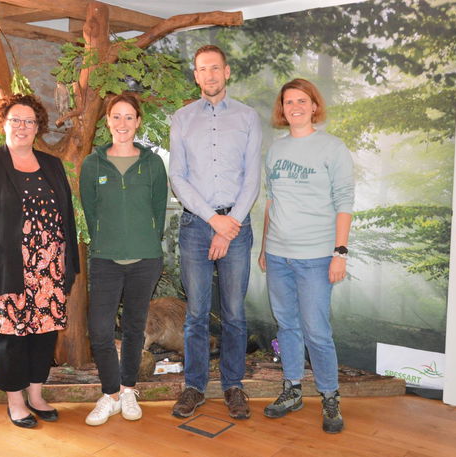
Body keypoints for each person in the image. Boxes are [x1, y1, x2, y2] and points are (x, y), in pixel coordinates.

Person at [0, 94, 79, 429]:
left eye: (29, 121)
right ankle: (16, 401)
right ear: (4, 123)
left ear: (37, 127)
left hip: (50, 269)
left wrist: (68, 266)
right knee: (13, 336)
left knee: (45, 334)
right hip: (7, 267)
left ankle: (37, 395)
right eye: (16, 120)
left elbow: (65, 216)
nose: (23, 127)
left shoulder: (51, 165)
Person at [169, 45, 262, 420]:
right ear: (196, 75)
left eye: (215, 68)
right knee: (196, 314)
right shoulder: (181, 118)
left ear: (227, 72)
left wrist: (229, 226)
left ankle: (233, 386)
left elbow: (252, 178)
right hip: (196, 226)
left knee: (235, 314)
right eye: (202, 69)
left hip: (237, 227)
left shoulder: (248, 117)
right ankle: (193, 387)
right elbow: (178, 176)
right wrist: (212, 220)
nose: (209, 75)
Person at [258, 78, 354, 433]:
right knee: (287, 326)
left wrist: (339, 253)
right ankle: (293, 389)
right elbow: (271, 201)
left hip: (316, 256)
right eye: (288, 102)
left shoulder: (332, 148)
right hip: (279, 255)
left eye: (301, 100)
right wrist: (266, 247)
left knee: (317, 331)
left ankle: (330, 396)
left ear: (314, 105)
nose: (294, 107)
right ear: (281, 109)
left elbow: (344, 202)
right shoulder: (276, 150)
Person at [80, 92, 168, 426]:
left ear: (138, 122)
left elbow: (157, 211)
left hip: (145, 258)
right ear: (107, 121)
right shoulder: (93, 164)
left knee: (134, 327)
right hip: (105, 258)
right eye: (116, 116)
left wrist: (144, 240)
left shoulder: (153, 164)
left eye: (129, 117)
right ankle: (110, 393)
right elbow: (91, 210)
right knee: (100, 330)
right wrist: (108, 239)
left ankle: (128, 389)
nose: (122, 123)